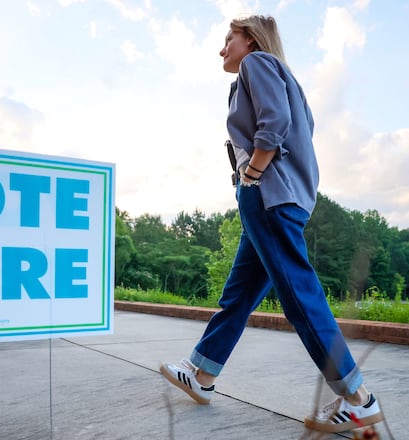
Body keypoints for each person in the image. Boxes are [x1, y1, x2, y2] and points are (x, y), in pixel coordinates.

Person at [159, 15, 384, 434]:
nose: (223, 47)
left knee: (299, 296)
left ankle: (359, 398)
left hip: (268, 196)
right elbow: (299, 129)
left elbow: (274, 123)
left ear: (251, 40)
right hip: (279, 198)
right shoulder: (288, 79)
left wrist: (253, 174)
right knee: (240, 294)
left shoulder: (256, 64)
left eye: (229, 38)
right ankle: (203, 374)